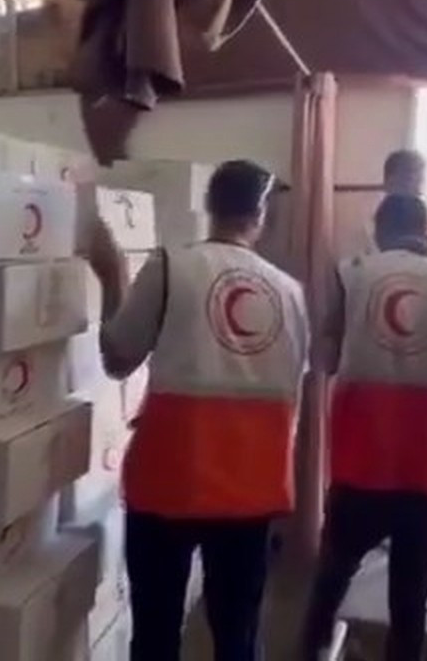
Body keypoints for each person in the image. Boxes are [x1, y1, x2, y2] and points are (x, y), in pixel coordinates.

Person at [87, 159, 310, 661]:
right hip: (251, 490)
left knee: (156, 633)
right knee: (238, 635)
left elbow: (118, 358)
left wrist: (112, 275)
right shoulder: (292, 295)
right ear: (261, 216)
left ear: (209, 205)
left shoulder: (171, 267)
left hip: (171, 481)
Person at [300, 195, 427, 661]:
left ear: (377, 234)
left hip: (359, 466)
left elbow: (323, 359)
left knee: (330, 584)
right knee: (410, 605)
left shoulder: (352, 274)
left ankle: (310, 652)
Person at [351, 149, 427, 256]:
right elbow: (385, 243)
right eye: (409, 178)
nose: (416, 185)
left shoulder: (418, 207)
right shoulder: (390, 207)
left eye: (420, 179)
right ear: (390, 181)